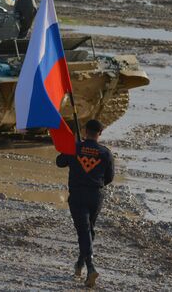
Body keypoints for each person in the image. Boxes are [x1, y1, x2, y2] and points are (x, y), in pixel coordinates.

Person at [56, 119, 114, 288]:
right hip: (96, 196)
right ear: (100, 133)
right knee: (89, 230)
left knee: (84, 231)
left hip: (78, 195)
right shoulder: (105, 153)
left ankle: (90, 267)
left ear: (85, 130)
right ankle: (80, 264)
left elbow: (59, 162)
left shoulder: (75, 147)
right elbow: (109, 177)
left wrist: (70, 145)